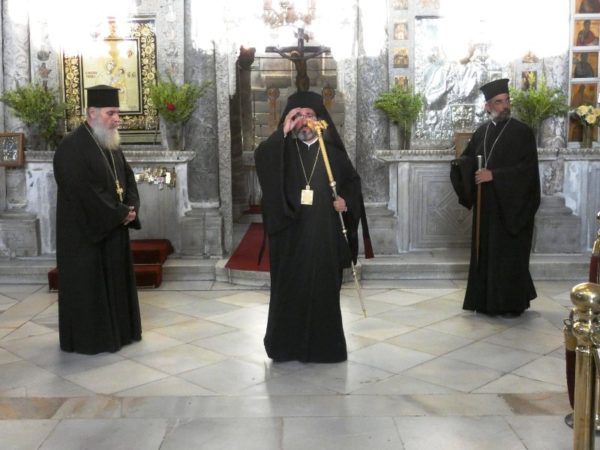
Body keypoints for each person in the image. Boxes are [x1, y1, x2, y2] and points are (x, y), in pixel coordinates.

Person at [254, 91, 372, 363]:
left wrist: (346, 201)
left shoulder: (333, 155)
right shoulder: (280, 150)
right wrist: (282, 133)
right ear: (289, 120)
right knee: (290, 291)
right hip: (291, 238)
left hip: (324, 237)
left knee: (323, 290)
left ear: (320, 120)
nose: (304, 120)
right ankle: (286, 347)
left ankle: (325, 348)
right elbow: (262, 160)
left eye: (310, 115)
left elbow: (352, 184)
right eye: (298, 115)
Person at [53, 84, 142, 354]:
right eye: (110, 113)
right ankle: (93, 340)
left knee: (116, 284)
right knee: (90, 287)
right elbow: (82, 192)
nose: (117, 119)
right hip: (85, 236)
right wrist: (119, 213)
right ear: (92, 112)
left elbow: (127, 178)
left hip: (113, 227)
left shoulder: (110, 142)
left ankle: (121, 334)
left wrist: (131, 207)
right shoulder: (71, 147)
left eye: (118, 113)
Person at [450, 78, 540, 317]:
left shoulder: (522, 132)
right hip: (487, 207)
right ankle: (485, 302)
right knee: (487, 254)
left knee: (508, 255)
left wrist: (494, 175)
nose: (505, 106)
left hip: (511, 208)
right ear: (487, 106)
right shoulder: (482, 132)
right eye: (499, 102)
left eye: (507, 101)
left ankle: (511, 304)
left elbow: (527, 171)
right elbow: (470, 159)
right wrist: (460, 166)